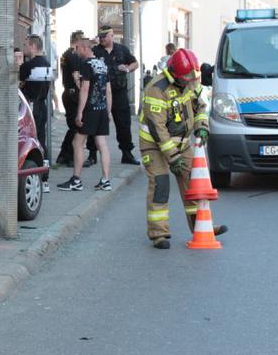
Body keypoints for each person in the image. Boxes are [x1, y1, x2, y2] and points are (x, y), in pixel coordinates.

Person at [138, 48, 228, 249]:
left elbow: (201, 107)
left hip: (181, 142)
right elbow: (157, 128)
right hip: (154, 145)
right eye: (186, 79)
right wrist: (173, 157)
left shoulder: (190, 81)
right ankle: (158, 234)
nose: (190, 82)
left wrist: (201, 127)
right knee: (160, 185)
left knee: (193, 184)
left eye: (192, 78)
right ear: (176, 75)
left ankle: (202, 226)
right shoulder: (156, 89)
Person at [57, 33, 113, 192]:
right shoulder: (102, 65)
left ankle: (76, 179)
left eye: (77, 49)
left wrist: (80, 112)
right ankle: (106, 180)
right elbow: (108, 91)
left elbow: (85, 90)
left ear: (84, 48)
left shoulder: (86, 64)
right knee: (102, 144)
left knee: (77, 143)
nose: (76, 52)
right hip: (102, 110)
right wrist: (108, 112)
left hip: (90, 110)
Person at [93, 26, 141, 165]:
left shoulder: (122, 49)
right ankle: (92, 154)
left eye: (104, 36)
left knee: (124, 124)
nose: (102, 39)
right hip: (100, 93)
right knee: (95, 123)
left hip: (119, 92)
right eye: (100, 36)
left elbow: (135, 63)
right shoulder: (96, 51)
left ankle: (127, 154)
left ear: (111, 35)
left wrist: (126, 68)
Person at [56, 31, 97, 166]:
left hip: (69, 93)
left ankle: (64, 155)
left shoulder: (67, 54)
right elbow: (76, 75)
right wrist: (83, 92)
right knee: (76, 127)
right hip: (73, 94)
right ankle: (68, 156)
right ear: (77, 41)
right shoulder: (72, 55)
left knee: (74, 127)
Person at [20, 35, 51, 193]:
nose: (24, 48)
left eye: (25, 44)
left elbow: (18, 82)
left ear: (32, 46)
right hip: (42, 106)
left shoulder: (28, 66)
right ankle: (45, 179)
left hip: (30, 106)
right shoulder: (47, 63)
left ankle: (34, 175)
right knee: (42, 141)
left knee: (30, 142)